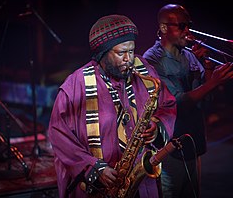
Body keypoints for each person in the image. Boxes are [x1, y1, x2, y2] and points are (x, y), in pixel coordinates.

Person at [48, 14, 177, 198]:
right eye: (121, 53)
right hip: (101, 187)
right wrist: (94, 167)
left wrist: (157, 127)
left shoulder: (144, 70)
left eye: (131, 51)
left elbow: (167, 104)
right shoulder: (76, 86)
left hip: (142, 183)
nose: (129, 59)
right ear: (103, 54)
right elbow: (59, 135)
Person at [143, 4, 233, 198]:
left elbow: (205, 102)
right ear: (163, 28)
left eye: (189, 25)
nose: (188, 31)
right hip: (168, 149)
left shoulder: (190, 57)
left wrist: (209, 69)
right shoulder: (151, 59)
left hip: (192, 143)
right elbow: (176, 103)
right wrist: (213, 82)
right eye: (182, 26)